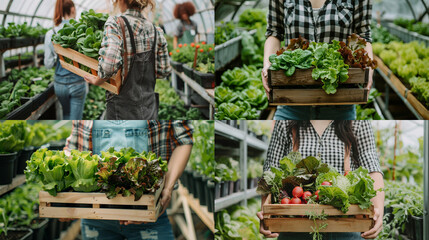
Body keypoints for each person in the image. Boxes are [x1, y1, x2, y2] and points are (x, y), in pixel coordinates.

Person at [64, 120, 193, 240]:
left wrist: (168, 188)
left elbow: (184, 139)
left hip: (149, 215)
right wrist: (64, 199)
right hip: (95, 217)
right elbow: (71, 148)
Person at [257, 120, 384, 240]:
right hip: (294, 226)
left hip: (347, 226)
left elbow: (372, 167)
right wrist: (266, 213)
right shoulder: (285, 121)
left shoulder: (357, 122)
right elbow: (270, 171)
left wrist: (378, 210)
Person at [261, 0, 374, 120]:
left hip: (340, 102)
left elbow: (363, 35)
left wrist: (368, 69)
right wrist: (267, 64)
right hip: (291, 101)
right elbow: (274, 32)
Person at [84, 0, 171, 120]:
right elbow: (164, 71)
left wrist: (97, 81)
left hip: (121, 111)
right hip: (148, 109)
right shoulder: (157, 31)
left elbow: (108, 66)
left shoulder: (116, 24)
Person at [44, 0, 87, 120]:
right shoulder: (81, 30)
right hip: (77, 83)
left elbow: (48, 64)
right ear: (72, 9)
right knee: (76, 121)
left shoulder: (51, 33)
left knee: (66, 116)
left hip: (60, 84)